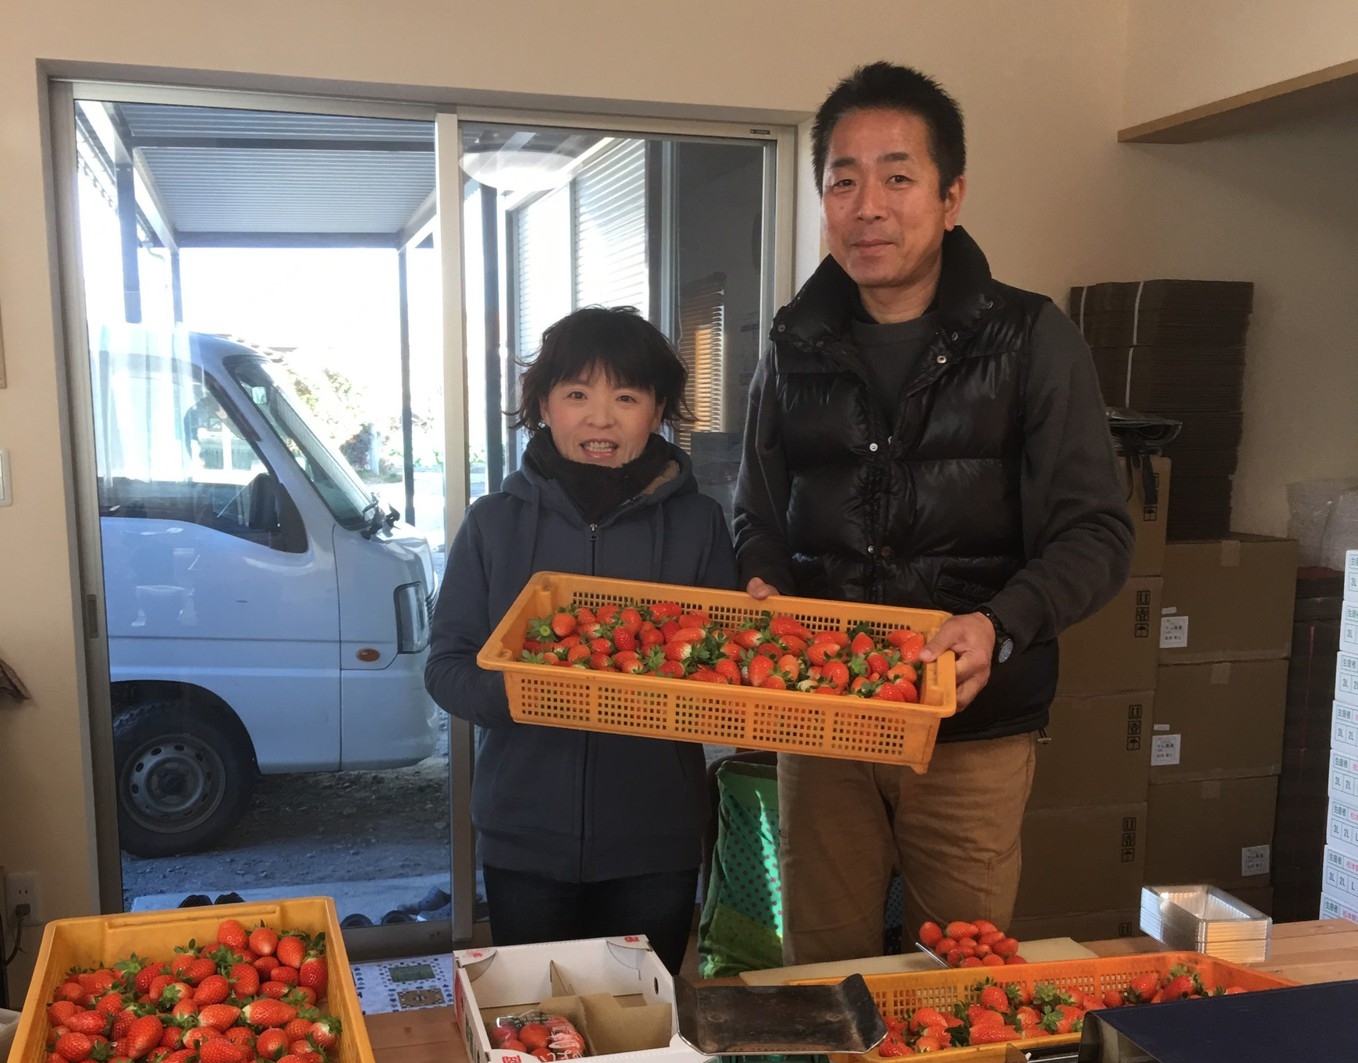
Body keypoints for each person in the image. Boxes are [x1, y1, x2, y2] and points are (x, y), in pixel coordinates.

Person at [734, 62, 1134, 965]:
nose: (868, 207)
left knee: (958, 979)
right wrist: (762, 579)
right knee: (823, 974)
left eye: (898, 177)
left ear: (951, 198)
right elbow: (756, 511)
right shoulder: (792, 347)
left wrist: (1001, 623)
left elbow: (1098, 534)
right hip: (824, 720)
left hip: (972, 732)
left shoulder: (1031, 339)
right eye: (843, 181)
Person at [425, 306, 739, 972]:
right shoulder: (493, 524)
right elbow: (447, 666)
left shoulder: (699, 524)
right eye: (576, 395)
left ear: (657, 411)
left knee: (641, 1017)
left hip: (655, 836)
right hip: (524, 835)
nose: (601, 419)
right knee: (540, 1016)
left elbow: (725, 671)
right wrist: (528, 693)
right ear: (543, 406)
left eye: (626, 397)